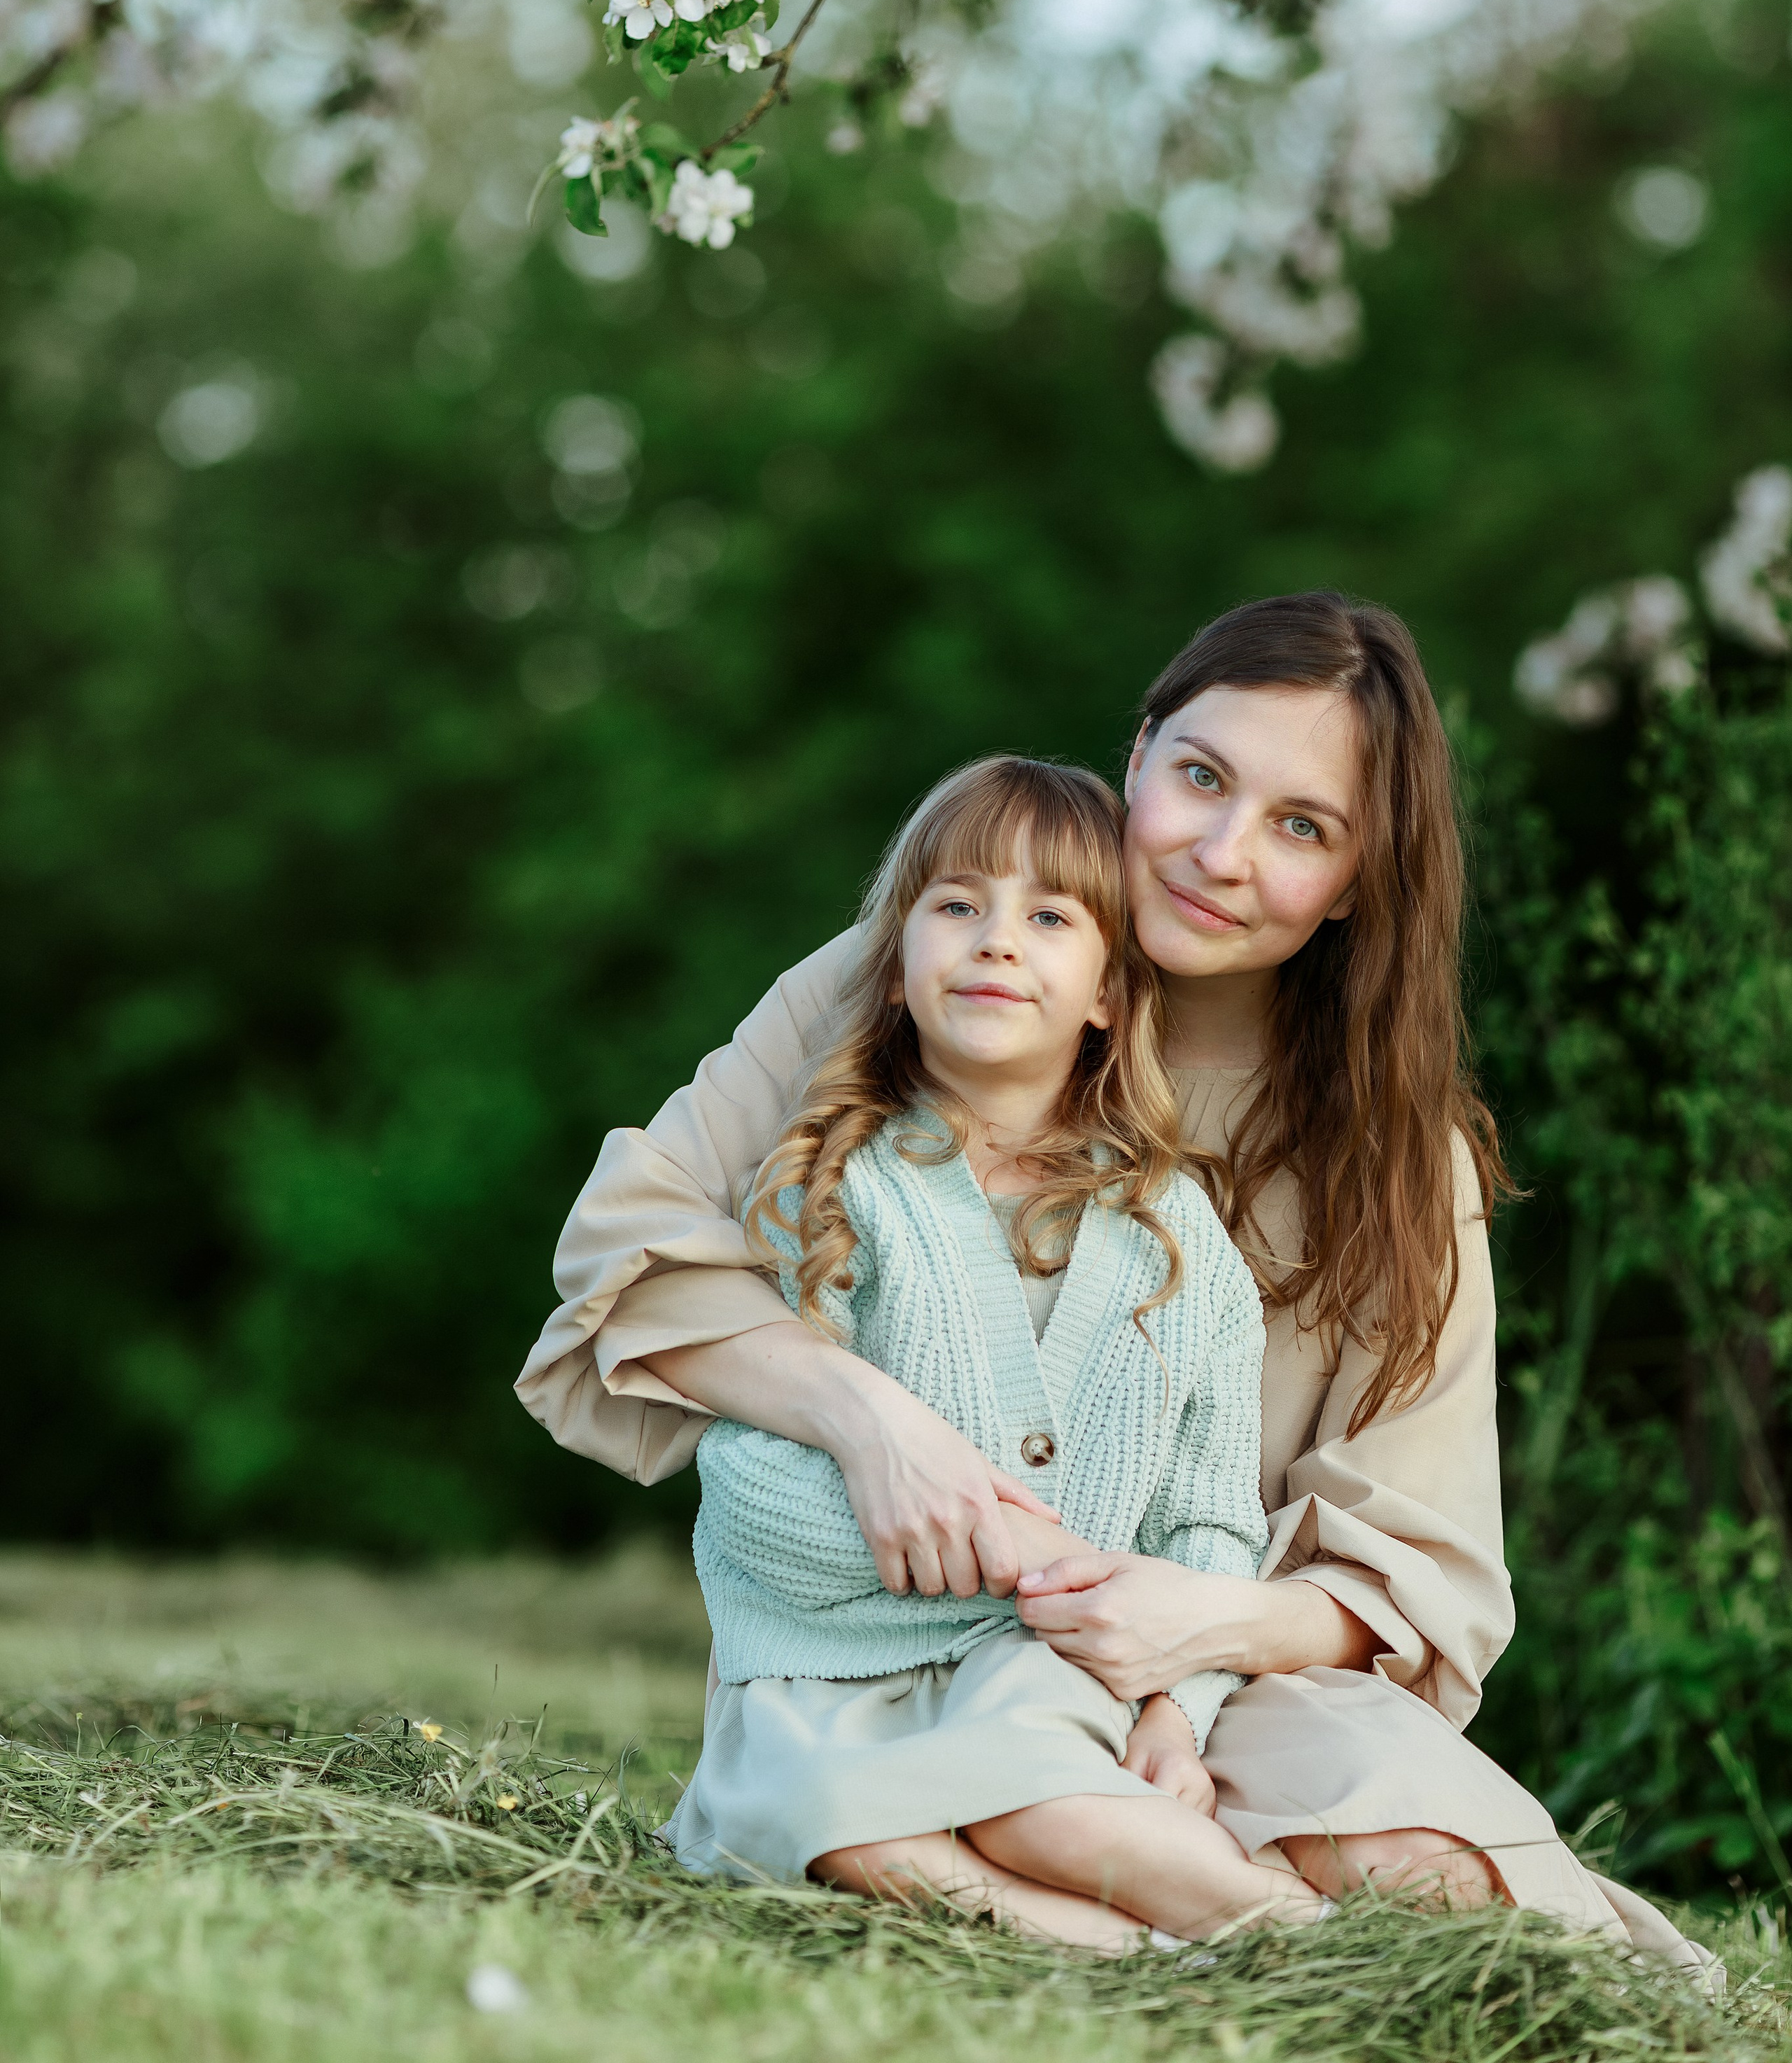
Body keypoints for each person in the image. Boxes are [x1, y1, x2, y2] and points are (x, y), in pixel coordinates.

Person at [517, 592, 1702, 1967]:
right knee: (916, 1840)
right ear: (1137, 755)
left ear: (1358, 882)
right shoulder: (919, 976)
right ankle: (1163, 1937)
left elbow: (1417, 1585)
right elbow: (628, 1245)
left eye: (1299, 827)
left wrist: (1185, 1635)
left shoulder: (1393, 1154)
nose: (1218, 852)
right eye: (1199, 778)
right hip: (878, 1650)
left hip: (1220, 1676)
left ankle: (1254, 1932)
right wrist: (869, 1422)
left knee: (1423, 1879)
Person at [667, 752, 1325, 1945]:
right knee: (847, 1832)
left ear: (1111, 995)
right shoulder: (825, 1186)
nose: (996, 941)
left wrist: (1181, 1703)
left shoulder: (1177, 1242)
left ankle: (1305, 1941)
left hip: (1044, 1676)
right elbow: (751, 1476)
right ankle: (1143, 1956)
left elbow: (1211, 1522)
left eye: (1049, 916)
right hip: (825, 1672)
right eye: (958, 906)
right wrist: (994, 1547)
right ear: (901, 956)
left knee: (1051, 1814)